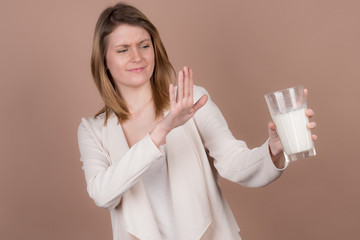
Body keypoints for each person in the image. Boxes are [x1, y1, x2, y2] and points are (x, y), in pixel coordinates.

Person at [77, 2, 317, 240]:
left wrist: (272, 150)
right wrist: (163, 129)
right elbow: (103, 193)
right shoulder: (93, 130)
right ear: (104, 61)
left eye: (144, 45)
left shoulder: (192, 100)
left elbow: (235, 163)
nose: (137, 57)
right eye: (123, 50)